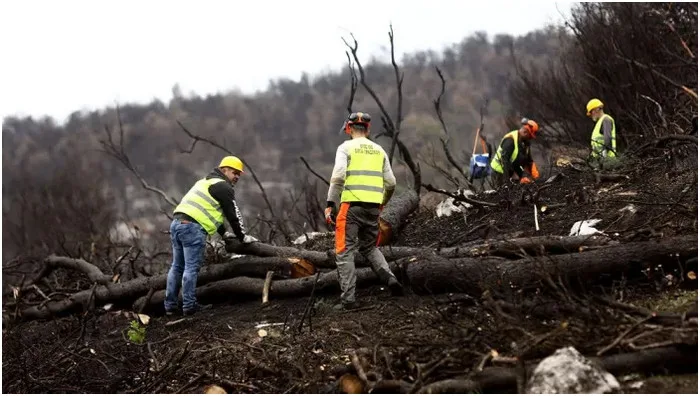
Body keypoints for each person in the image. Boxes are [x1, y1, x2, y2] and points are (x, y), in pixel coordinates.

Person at [325, 111, 404, 310]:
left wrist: (329, 204)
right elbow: (392, 183)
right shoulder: (379, 150)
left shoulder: (345, 148)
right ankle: (390, 278)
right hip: (373, 208)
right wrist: (382, 202)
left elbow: (338, 177)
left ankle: (348, 300)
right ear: (368, 130)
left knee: (344, 252)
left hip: (351, 207)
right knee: (370, 248)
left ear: (349, 129)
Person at [165, 156, 258, 316]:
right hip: (192, 229)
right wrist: (242, 237)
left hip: (177, 224)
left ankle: (170, 306)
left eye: (239, 174)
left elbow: (208, 211)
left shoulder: (204, 182)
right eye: (235, 172)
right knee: (191, 268)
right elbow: (233, 215)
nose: (237, 176)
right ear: (224, 170)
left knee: (177, 267)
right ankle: (189, 306)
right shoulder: (224, 188)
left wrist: (223, 233)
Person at [489, 118, 540, 187]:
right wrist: (508, 181)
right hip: (499, 172)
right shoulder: (510, 140)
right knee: (502, 194)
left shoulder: (525, 143)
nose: (530, 139)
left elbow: (528, 160)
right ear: (525, 132)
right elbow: (505, 160)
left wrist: (535, 175)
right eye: (530, 136)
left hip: (511, 172)